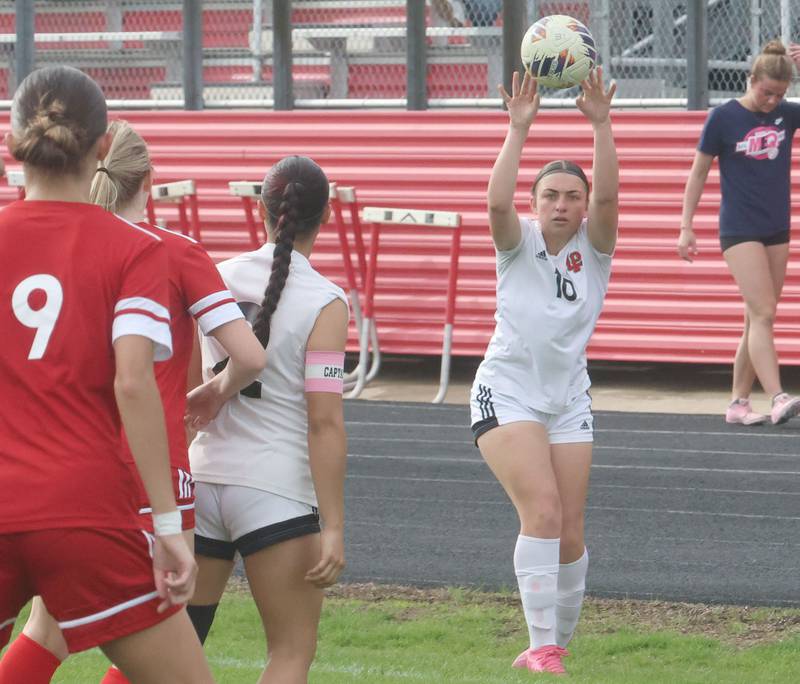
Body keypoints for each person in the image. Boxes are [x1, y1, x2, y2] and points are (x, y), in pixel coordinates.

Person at [0, 118, 267, 682]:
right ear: (149, 179)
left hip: (45, 472)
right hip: (148, 468)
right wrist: (214, 393)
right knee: (161, 631)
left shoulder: (38, 241)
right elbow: (247, 356)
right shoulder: (164, 250)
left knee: (45, 633)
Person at [469, 67, 617, 675]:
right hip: (506, 392)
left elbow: (609, 196)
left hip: (568, 399)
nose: (562, 204)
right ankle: (542, 648)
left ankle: (558, 644)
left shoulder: (596, 246)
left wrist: (601, 125)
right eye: (551, 196)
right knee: (545, 514)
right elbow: (495, 200)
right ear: (536, 205)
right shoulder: (517, 240)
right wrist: (517, 128)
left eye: (571, 196)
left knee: (572, 534)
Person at [185, 155, 349, 684]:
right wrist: (335, 526)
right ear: (326, 216)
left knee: (177, 653)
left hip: (202, 477)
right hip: (274, 490)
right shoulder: (327, 301)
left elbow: (188, 392)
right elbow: (324, 423)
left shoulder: (216, 275)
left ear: (261, 209)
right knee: (289, 653)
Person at [678, 40, 800, 426]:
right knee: (763, 312)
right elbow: (698, 173)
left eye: (780, 94)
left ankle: (738, 403)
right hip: (739, 229)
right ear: (750, 79)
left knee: (756, 318)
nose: (771, 101)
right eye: (766, 92)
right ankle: (778, 396)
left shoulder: (787, 115)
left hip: (776, 227)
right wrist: (686, 225)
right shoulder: (723, 118)